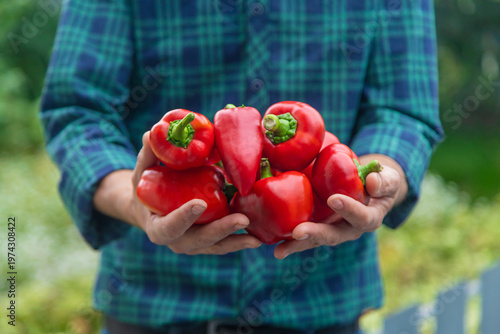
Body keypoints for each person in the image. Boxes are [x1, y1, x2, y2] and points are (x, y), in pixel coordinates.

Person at [41, 1, 443, 333]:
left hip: (323, 307)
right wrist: (134, 202)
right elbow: (78, 112)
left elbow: (402, 111)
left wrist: (375, 182)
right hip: (151, 302)